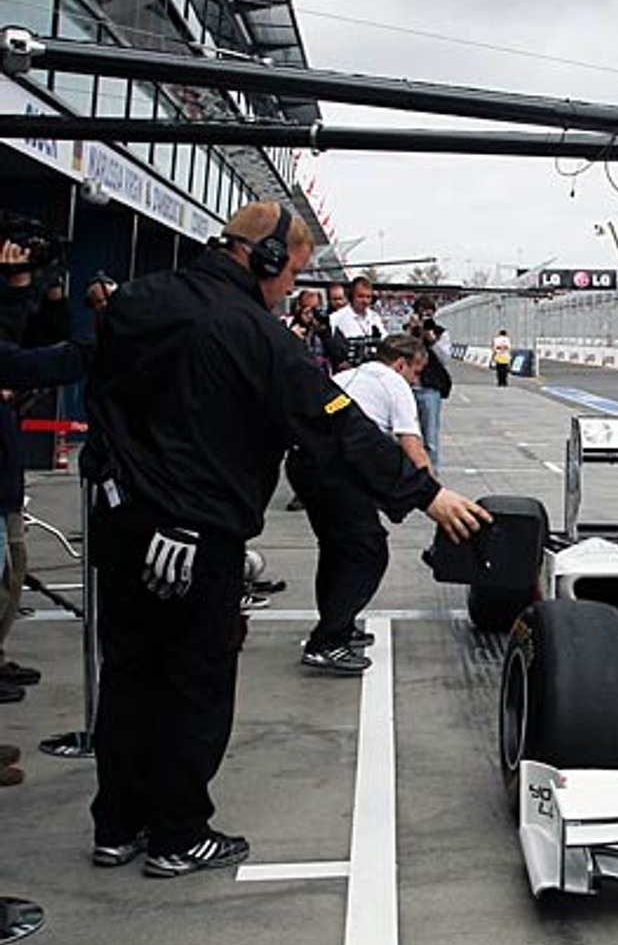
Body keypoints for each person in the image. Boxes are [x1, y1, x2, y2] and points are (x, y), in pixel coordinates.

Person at [82, 201, 487, 878]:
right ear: (264, 258)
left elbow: (101, 402)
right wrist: (425, 493)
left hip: (121, 524)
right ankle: (178, 835)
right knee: (195, 682)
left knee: (128, 677)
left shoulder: (135, 303)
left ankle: (117, 825)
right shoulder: (257, 334)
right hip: (197, 536)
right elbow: (338, 424)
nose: (290, 288)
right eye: (292, 273)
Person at [286, 333, 433, 675]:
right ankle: (328, 641)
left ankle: (340, 623)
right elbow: (412, 447)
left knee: (337, 549)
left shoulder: (344, 376)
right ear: (400, 364)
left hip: (303, 467)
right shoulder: (394, 385)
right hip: (334, 470)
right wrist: (437, 496)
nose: (415, 381)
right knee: (369, 550)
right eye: (415, 373)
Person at [0, 240, 90, 708]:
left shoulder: (19, 304)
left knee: (13, 568)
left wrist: (48, 292)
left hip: (6, 472)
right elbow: (22, 359)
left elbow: (33, 348)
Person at [406, 297, 452, 468]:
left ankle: (432, 476)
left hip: (430, 389)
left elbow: (445, 359)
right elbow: (398, 353)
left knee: (430, 439)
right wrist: (411, 333)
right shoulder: (408, 331)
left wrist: (432, 340)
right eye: (422, 312)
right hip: (408, 388)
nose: (425, 317)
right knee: (408, 435)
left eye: (429, 313)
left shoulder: (441, 333)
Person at [328, 275, 386, 369]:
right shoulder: (336, 318)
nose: (365, 301)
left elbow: (384, 340)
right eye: (361, 296)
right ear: (351, 296)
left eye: (368, 297)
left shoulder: (375, 317)